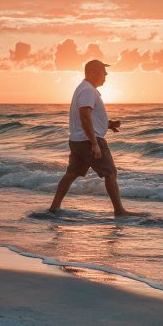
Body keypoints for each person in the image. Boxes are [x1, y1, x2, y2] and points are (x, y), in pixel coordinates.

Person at [49, 59, 141, 217]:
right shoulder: (88, 90)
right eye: (104, 73)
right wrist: (94, 143)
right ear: (93, 73)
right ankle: (119, 211)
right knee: (110, 173)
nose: (106, 76)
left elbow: (87, 117)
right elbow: (84, 117)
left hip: (78, 140)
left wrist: (106, 124)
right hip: (88, 141)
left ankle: (54, 208)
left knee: (71, 174)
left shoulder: (84, 89)